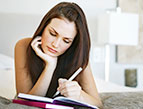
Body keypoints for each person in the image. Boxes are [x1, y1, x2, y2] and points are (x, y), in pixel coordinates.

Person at [14, 2, 102, 108]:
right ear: (44, 27)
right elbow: (25, 103)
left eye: (66, 41)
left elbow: (98, 104)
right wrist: (50, 66)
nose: (55, 44)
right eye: (52, 34)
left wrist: (79, 95)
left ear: (73, 43)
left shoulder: (78, 57)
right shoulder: (23, 46)